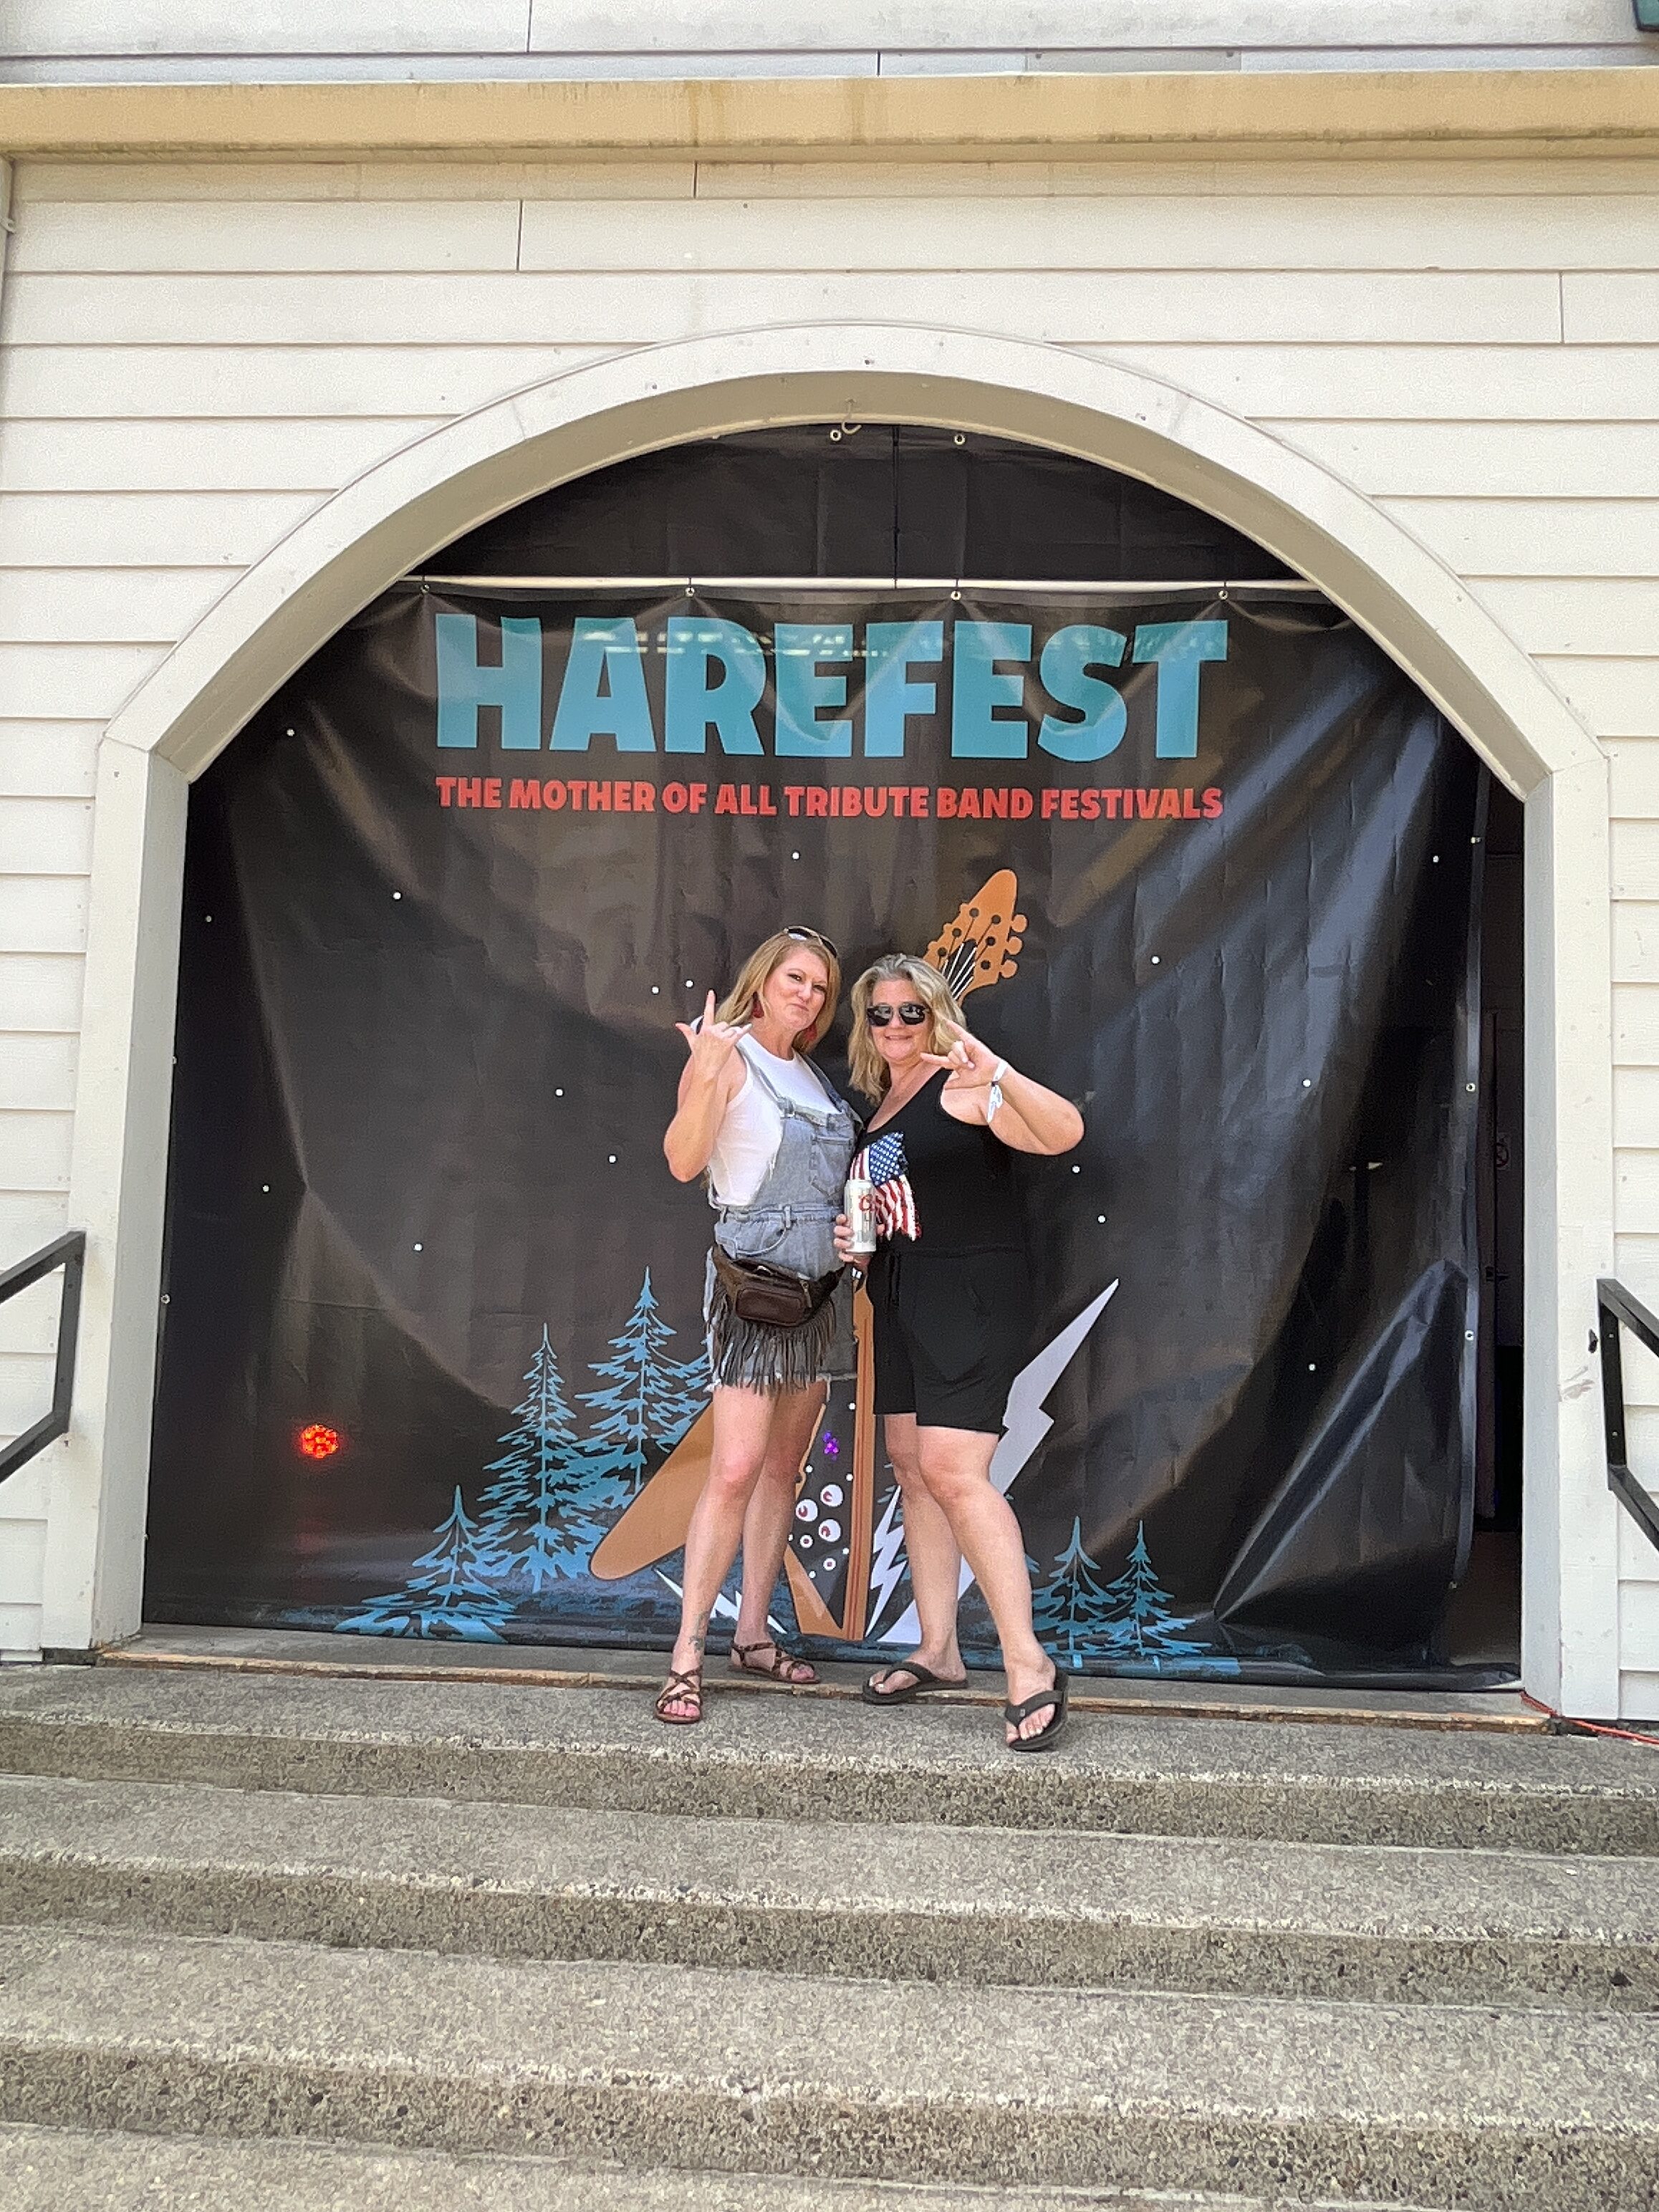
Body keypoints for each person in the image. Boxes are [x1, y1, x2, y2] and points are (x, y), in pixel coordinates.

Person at [835, 954, 1085, 1749]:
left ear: (937, 1015)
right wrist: (862, 1244)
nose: (896, 1025)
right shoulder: (882, 1104)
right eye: (881, 1013)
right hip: (900, 1289)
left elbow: (1065, 1132)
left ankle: (1028, 1664)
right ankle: (939, 1649)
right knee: (911, 1466)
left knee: (952, 1471)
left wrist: (996, 1070)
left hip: (969, 1291)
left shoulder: (964, 1084)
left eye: (912, 1011)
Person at [656, 927, 856, 1724]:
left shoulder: (813, 1075)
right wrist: (705, 1074)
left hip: (823, 1296)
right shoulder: (727, 1056)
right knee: (736, 1468)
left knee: (783, 1470)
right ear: (765, 980)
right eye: (795, 979)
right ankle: (686, 1655)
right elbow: (683, 1161)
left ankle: (752, 1636)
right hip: (755, 1294)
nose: (807, 995)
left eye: (820, 987)